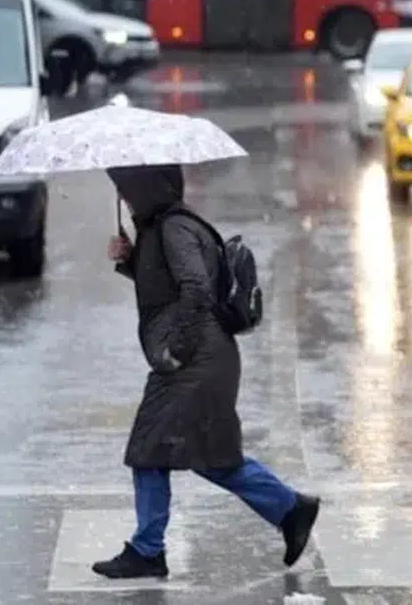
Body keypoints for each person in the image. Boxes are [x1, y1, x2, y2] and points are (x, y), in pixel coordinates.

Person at [92, 164, 320, 579]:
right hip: (204, 359)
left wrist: (175, 349)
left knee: (149, 451)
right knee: (211, 456)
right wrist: (130, 260)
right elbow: (167, 288)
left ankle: (147, 550)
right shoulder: (164, 227)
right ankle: (290, 509)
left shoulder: (174, 229)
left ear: (147, 188)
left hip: (194, 360)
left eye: (127, 189)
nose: (124, 199)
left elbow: (196, 288)